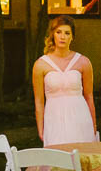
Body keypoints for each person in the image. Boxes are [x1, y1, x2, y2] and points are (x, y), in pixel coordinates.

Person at [31, 15, 96, 146]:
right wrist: (40, 128)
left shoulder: (83, 62)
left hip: (80, 119)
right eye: (58, 32)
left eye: (67, 33)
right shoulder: (40, 65)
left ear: (72, 37)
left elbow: (89, 96)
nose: (62, 37)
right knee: (57, 160)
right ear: (52, 35)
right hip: (54, 120)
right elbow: (39, 101)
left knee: (83, 159)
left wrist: (93, 124)